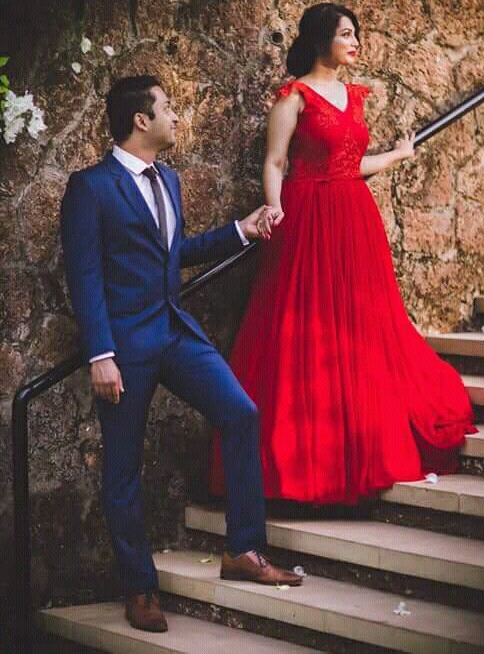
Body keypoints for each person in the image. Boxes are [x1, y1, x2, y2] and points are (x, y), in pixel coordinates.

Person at [60, 75, 303, 634]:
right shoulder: (89, 187)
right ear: (140, 120)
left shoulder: (168, 180)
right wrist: (100, 352)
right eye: (166, 108)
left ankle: (243, 550)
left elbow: (175, 255)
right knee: (123, 469)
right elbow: (85, 274)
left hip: (176, 333)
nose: (175, 116)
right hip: (123, 347)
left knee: (240, 411)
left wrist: (241, 230)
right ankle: (139, 586)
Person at [211, 3, 477, 504]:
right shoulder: (292, 97)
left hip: (355, 219)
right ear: (320, 40)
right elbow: (275, 160)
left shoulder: (353, 96)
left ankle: (364, 444)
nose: (356, 42)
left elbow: (350, 165)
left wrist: (397, 155)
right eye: (347, 34)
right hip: (306, 217)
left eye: (356, 34)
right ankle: (302, 464)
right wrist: (272, 206)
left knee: (360, 329)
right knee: (304, 330)